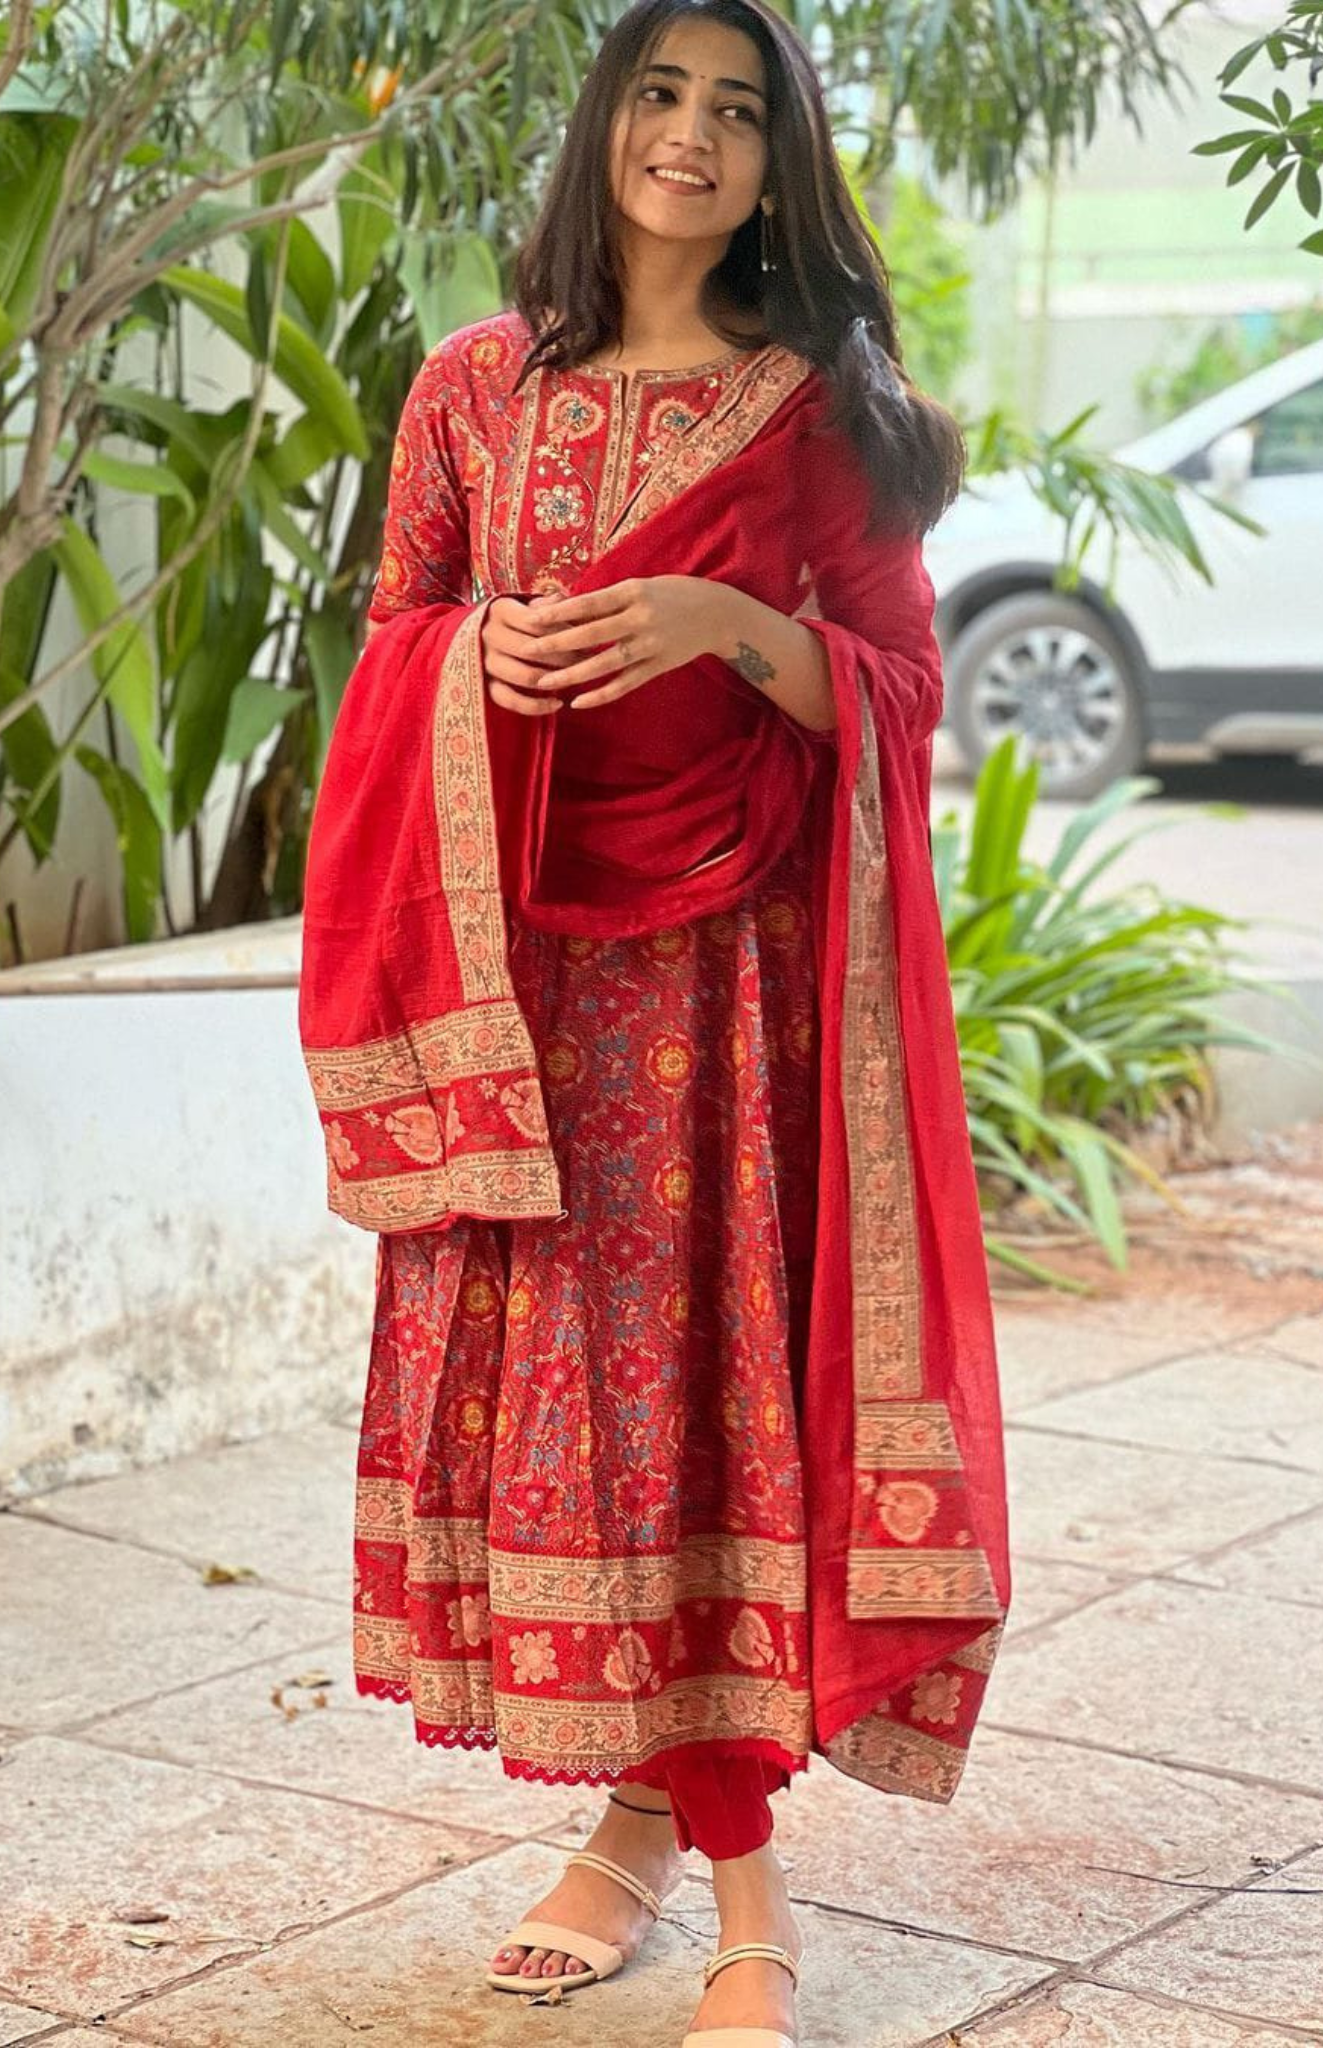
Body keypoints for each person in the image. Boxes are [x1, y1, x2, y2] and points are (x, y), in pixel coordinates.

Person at [299, 1, 1010, 2041]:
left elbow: (901, 689)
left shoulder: (821, 416)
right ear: (604, 122)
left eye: (734, 113)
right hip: (518, 989)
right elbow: (391, 647)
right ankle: (630, 1831)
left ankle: (744, 1899)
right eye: (658, 95)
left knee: (698, 1405)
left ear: (780, 165)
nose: (687, 138)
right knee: (593, 1420)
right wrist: (465, 665)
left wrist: (736, 627)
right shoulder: (469, 392)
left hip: (726, 1016)